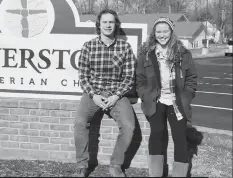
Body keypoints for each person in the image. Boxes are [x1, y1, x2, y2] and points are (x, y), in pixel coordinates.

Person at [73, 9, 137, 177]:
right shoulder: (89, 46)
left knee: (129, 126)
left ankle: (116, 165)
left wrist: (116, 96)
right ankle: (82, 165)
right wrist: (94, 95)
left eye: (111, 22)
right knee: (80, 122)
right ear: (99, 25)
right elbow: (83, 75)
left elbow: (129, 77)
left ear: (116, 25)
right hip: (94, 92)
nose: (108, 25)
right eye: (105, 22)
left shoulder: (124, 47)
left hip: (117, 93)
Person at [135, 17, 198, 177]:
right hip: (156, 101)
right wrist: (145, 96)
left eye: (165, 31)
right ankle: (156, 173)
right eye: (159, 31)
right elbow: (139, 79)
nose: (162, 34)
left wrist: (187, 96)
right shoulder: (146, 54)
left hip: (178, 102)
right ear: (154, 33)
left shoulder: (183, 53)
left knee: (180, 138)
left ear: (171, 32)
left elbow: (191, 78)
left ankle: (179, 174)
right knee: (157, 134)